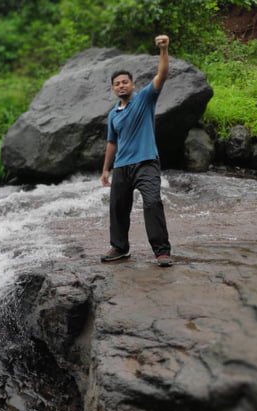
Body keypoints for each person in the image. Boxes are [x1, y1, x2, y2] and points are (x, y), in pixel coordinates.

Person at [100, 34, 172, 267]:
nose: (121, 85)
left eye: (125, 82)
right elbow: (112, 142)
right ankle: (120, 248)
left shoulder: (144, 99)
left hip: (146, 162)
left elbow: (162, 75)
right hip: (121, 166)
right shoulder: (113, 114)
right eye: (117, 83)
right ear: (113, 89)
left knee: (152, 203)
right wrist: (105, 170)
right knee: (118, 208)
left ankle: (161, 252)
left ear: (132, 85)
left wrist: (163, 50)